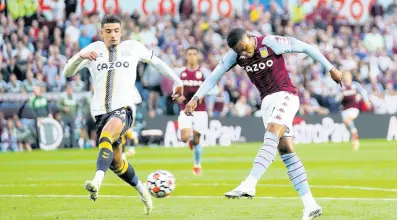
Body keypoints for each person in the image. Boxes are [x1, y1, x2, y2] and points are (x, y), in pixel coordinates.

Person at [184, 28, 343, 220]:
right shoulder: (234, 55)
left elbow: (306, 47)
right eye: (239, 51)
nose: (244, 53)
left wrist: (331, 68)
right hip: (266, 102)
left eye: (244, 47)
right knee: (285, 151)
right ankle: (310, 205)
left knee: (272, 133)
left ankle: (250, 183)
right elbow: (213, 77)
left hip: (286, 95)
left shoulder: (271, 42)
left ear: (249, 37)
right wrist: (196, 98)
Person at [62, 15, 184, 215]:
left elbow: (157, 63)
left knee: (106, 136)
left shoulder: (132, 47)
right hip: (100, 113)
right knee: (117, 163)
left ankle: (96, 181)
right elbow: (68, 72)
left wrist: (177, 80)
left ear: (121, 32)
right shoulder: (94, 50)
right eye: (108, 31)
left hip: (124, 109)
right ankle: (142, 190)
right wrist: (80, 57)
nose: (112, 35)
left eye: (116, 31)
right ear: (102, 32)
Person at [174, 46, 219, 175]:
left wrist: (203, 96)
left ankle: (197, 165)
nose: (192, 56)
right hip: (185, 109)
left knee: (197, 139)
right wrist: (178, 97)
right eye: (190, 54)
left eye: (194, 54)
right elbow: (174, 91)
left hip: (200, 110)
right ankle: (189, 142)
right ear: (186, 56)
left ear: (198, 56)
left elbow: (214, 89)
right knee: (184, 137)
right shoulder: (180, 73)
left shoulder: (204, 72)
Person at [338, 71, 371, 150]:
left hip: (354, 108)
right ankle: (355, 139)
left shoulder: (355, 85)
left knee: (347, 120)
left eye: (347, 80)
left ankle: (354, 135)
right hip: (345, 109)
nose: (346, 82)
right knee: (348, 123)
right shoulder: (341, 87)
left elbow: (363, 92)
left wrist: (366, 101)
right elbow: (337, 99)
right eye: (345, 80)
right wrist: (340, 96)